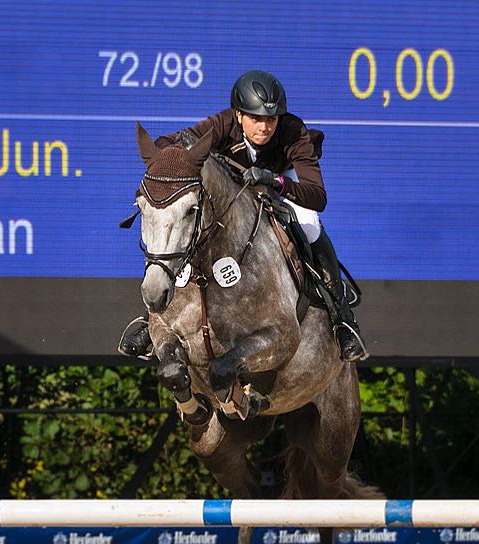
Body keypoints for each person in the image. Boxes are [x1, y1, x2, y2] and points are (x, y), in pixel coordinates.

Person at [119, 70, 368, 362]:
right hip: (235, 185)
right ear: (238, 115)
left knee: (310, 226)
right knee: (194, 229)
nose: (264, 127)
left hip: (280, 180)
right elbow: (166, 142)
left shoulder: (294, 132)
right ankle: (154, 319)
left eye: (271, 120)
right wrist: (174, 158)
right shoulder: (222, 123)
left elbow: (317, 195)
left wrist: (276, 182)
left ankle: (342, 318)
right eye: (256, 119)